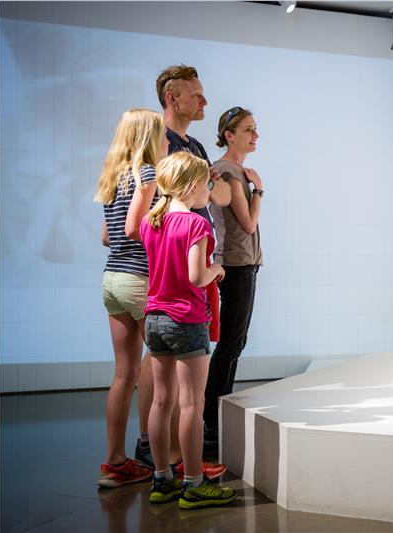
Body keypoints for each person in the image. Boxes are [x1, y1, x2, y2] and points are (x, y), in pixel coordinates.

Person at [133, 64, 231, 467]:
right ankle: (156, 449)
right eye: (196, 94)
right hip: (167, 262)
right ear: (172, 97)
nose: (205, 100)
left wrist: (213, 186)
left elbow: (221, 195)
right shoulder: (156, 141)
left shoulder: (196, 146)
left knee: (169, 368)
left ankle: (171, 455)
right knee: (165, 370)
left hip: (189, 256)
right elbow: (147, 198)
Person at [140, 151, 237, 509]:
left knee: (161, 401)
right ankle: (194, 483)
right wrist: (217, 270)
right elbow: (197, 276)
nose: (209, 190)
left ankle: (162, 478)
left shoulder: (151, 222)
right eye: (207, 184)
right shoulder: (197, 225)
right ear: (194, 185)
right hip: (186, 320)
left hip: (154, 319)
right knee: (191, 405)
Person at [95, 108, 166, 487]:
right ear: (149, 137)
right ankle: (169, 460)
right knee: (163, 364)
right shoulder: (147, 174)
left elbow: (108, 236)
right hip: (140, 278)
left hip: (112, 279)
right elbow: (132, 228)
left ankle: (115, 462)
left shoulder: (114, 175)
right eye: (161, 134)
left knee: (124, 374)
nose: (166, 140)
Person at [203, 106, 263, 456]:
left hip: (242, 264)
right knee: (230, 343)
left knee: (234, 342)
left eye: (255, 129)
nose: (255, 135)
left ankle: (216, 415)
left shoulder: (234, 171)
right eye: (248, 129)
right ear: (229, 135)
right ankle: (213, 420)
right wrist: (260, 190)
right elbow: (249, 223)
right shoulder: (229, 172)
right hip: (237, 265)